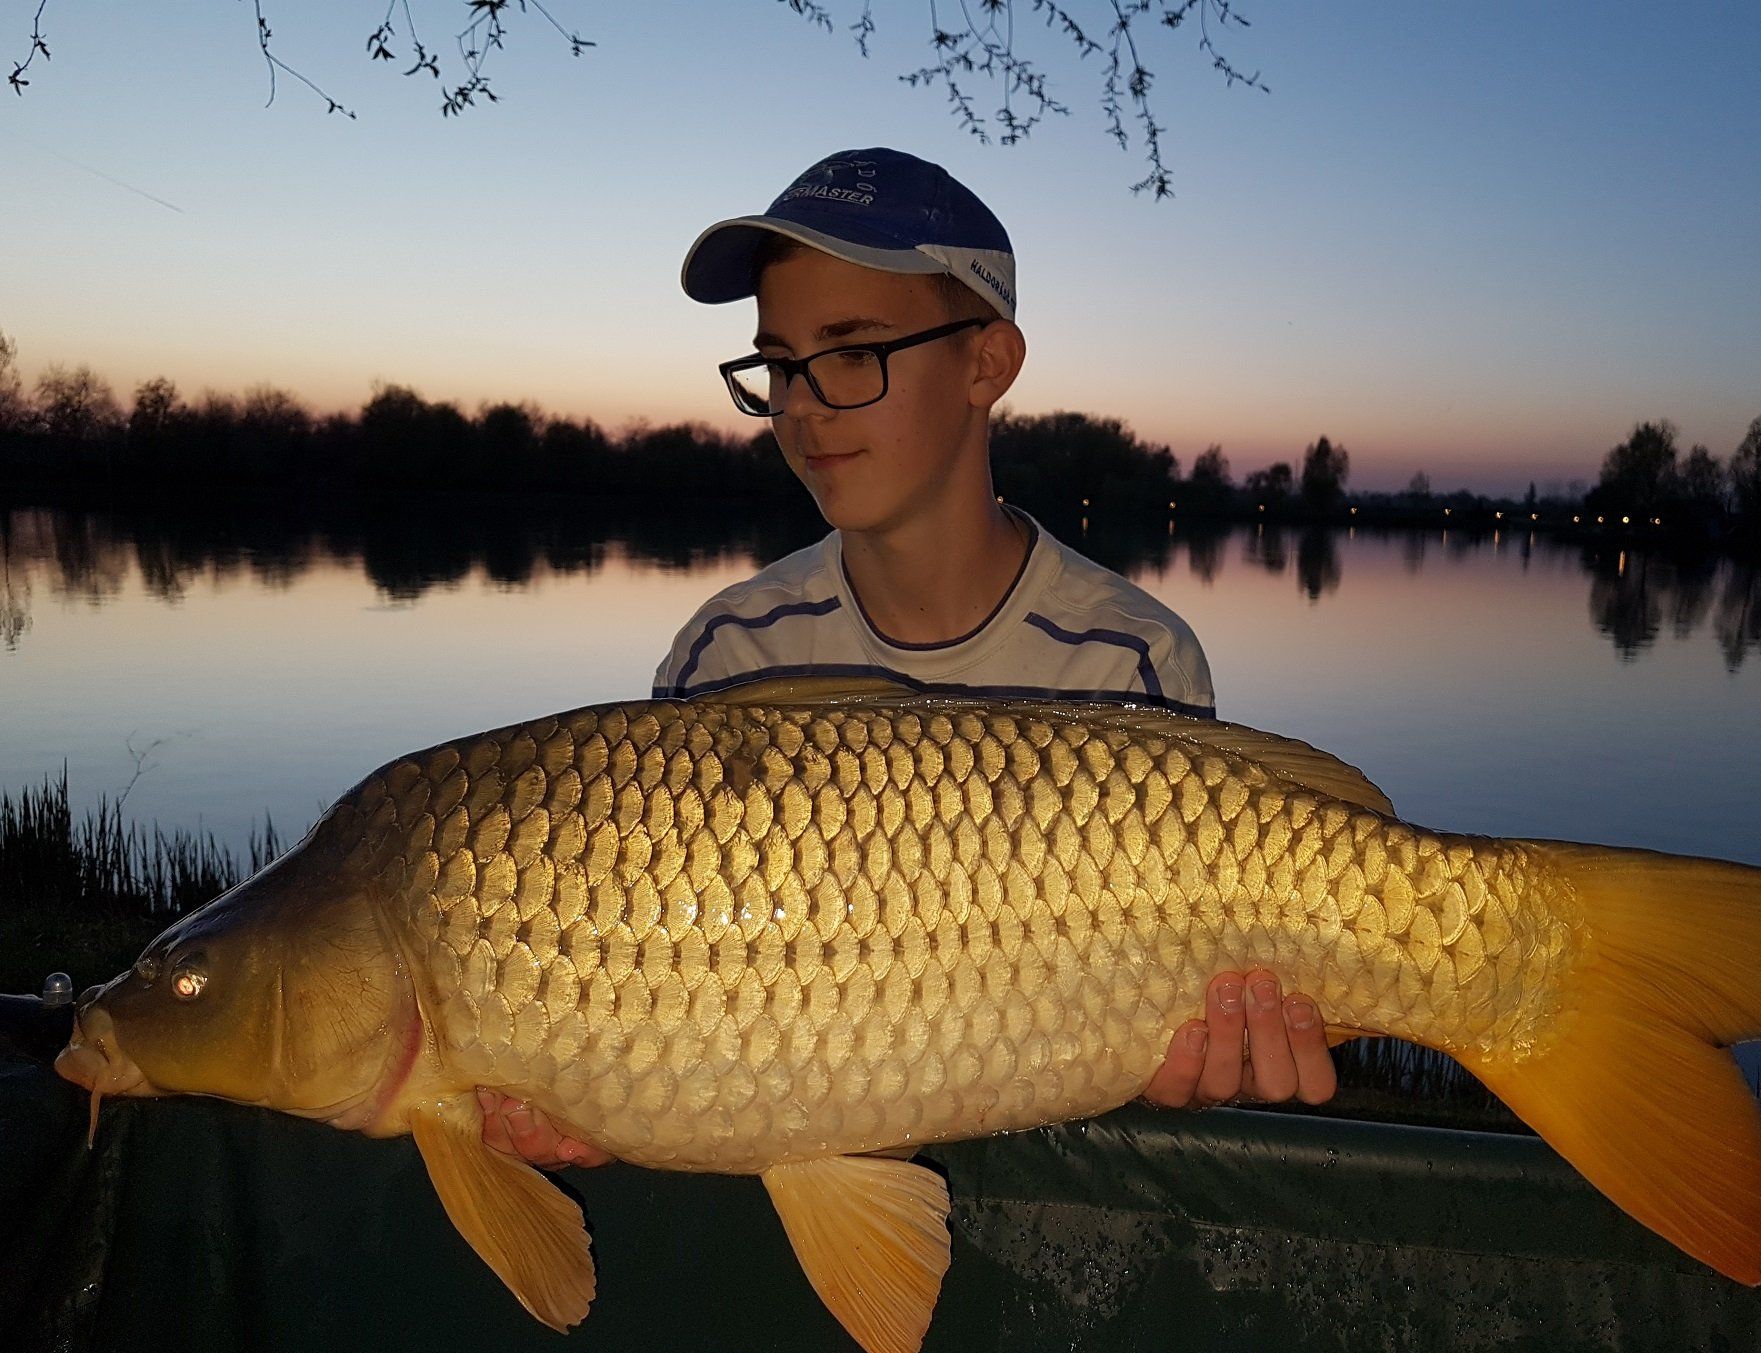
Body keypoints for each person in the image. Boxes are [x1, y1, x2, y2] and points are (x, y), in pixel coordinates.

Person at [480, 148, 1337, 1169]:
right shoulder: (730, 650)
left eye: (851, 354)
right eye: (781, 363)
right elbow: (712, 1014)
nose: (800, 405)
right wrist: (605, 1093)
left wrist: (1205, 1069)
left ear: (987, 365)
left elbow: (1160, 1027)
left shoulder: (1129, 658)